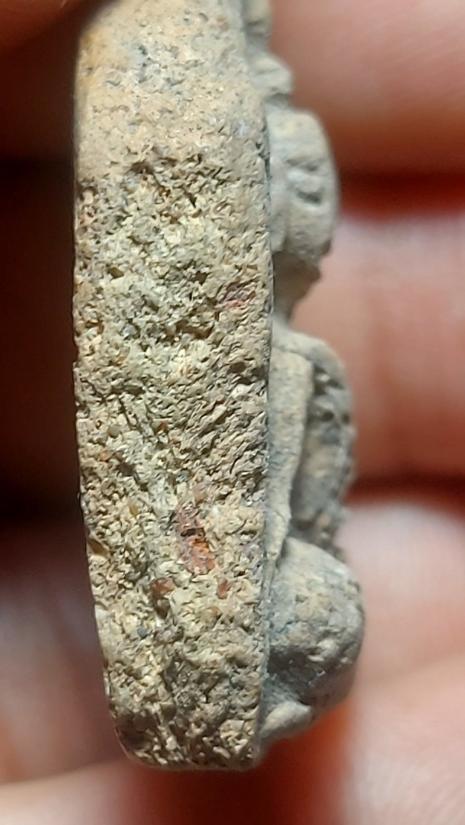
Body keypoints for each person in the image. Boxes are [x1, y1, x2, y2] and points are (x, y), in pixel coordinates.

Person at [1, 1, 464, 821]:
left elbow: (312, 475)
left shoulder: (297, 362)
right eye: (299, 180)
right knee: (310, 612)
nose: (321, 211)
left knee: (316, 612)